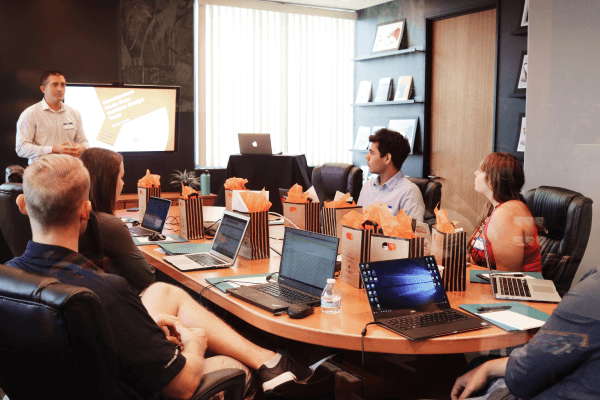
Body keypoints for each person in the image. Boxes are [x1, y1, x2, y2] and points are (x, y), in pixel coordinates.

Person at [6, 154, 314, 399]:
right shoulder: (107, 291)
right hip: (142, 390)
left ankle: (270, 359)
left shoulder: (9, 278)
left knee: (164, 292)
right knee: (235, 368)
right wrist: (195, 342)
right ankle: (268, 366)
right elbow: (180, 387)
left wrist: (145, 329)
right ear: (85, 211)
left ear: (22, 205)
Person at [451, 268, 600, 400]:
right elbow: (556, 354)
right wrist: (488, 367)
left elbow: (522, 380)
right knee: (478, 364)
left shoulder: (594, 292)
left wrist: (488, 368)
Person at [80, 147, 154, 294]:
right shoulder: (110, 225)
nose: (123, 183)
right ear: (107, 182)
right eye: (121, 177)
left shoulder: (75, 216)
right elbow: (147, 278)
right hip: (122, 300)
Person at [467, 152, 542, 272]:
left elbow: (507, 276)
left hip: (516, 287)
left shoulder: (507, 213)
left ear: (492, 179)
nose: (475, 173)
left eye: (481, 171)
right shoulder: (496, 207)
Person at [15, 70, 88, 164]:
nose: (60, 89)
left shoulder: (74, 113)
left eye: (63, 85)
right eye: (54, 85)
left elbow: (84, 141)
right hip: (42, 172)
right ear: (43, 89)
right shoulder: (30, 114)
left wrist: (83, 147)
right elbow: (21, 148)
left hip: (70, 170)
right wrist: (53, 150)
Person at [357, 128, 425, 222]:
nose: (367, 157)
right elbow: (356, 224)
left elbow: (413, 234)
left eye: (372, 153)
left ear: (387, 158)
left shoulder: (409, 192)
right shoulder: (367, 186)